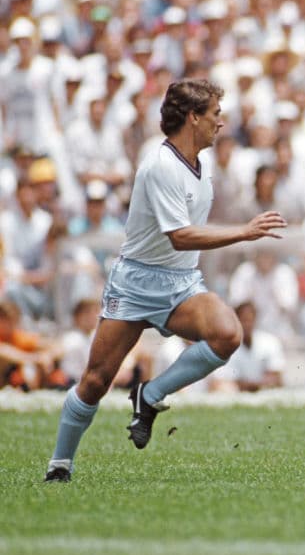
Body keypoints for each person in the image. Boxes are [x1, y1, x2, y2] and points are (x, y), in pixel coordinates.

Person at [44, 79, 288, 483]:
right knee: (95, 381)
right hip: (136, 284)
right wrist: (243, 232)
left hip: (180, 282)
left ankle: (150, 395)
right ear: (193, 118)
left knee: (228, 333)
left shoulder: (200, 164)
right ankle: (59, 465)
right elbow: (181, 234)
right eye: (215, 114)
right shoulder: (159, 165)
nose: (221, 123)